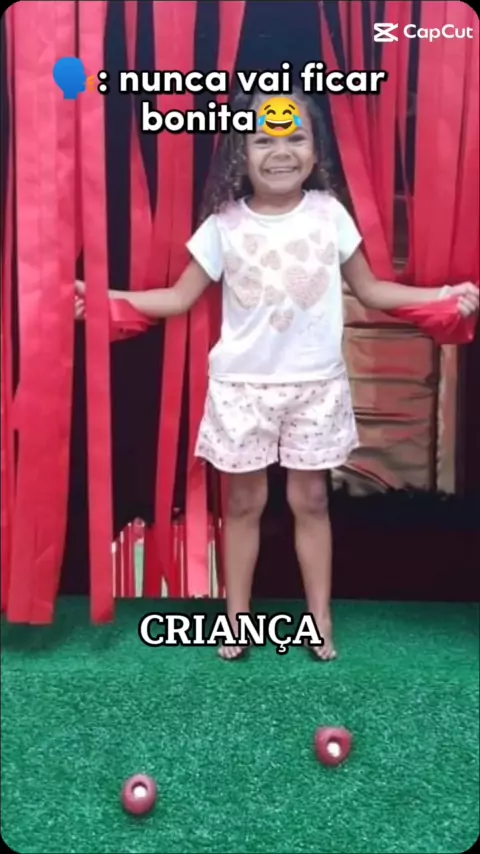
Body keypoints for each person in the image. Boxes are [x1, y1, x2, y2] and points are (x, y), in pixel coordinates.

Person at [75, 87, 479, 661]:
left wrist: (441, 295)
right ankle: (236, 620)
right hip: (242, 389)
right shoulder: (223, 225)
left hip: (316, 388)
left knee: (311, 502)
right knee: (243, 506)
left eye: (295, 137)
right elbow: (177, 297)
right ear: (241, 152)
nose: (281, 151)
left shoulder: (329, 214)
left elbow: (372, 290)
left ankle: (319, 620)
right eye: (264, 139)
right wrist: (105, 300)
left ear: (316, 150)